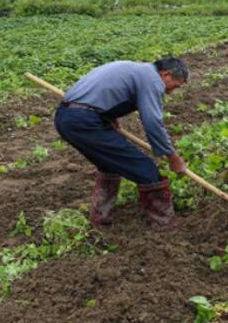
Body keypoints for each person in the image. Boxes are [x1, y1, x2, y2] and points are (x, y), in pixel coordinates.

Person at [54, 57, 189, 230]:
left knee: (109, 165)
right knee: (146, 169)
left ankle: (100, 217)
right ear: (166, 74)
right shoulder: (151, 78)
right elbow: (152, 122)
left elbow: (105, 91)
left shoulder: (133, 68)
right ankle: (164, 223)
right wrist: (172, 156)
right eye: (175, 85)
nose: (171, 91)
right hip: (84, 121)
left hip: (66, 118)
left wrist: (108, 117)